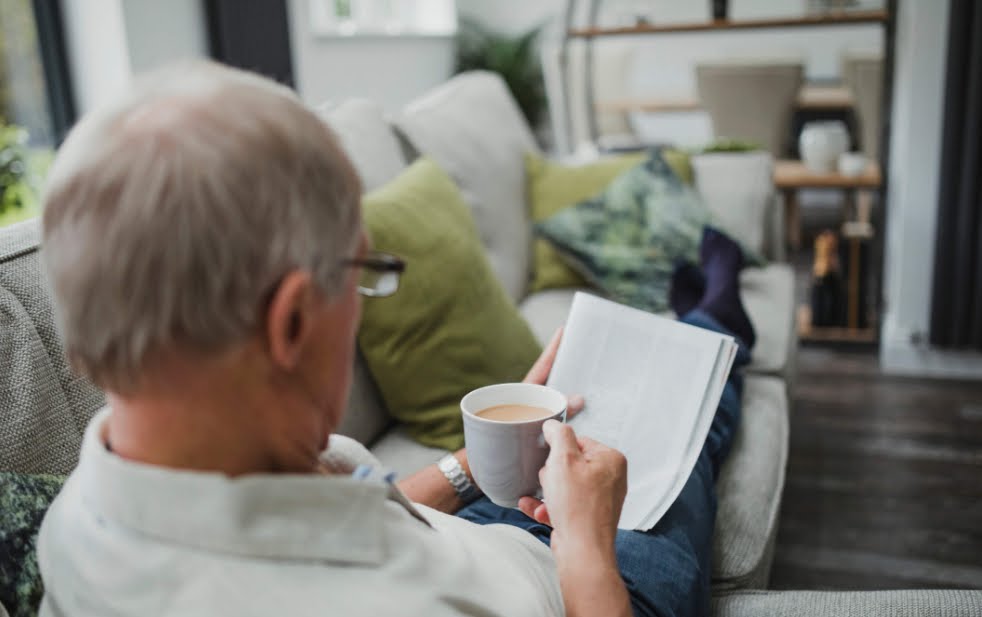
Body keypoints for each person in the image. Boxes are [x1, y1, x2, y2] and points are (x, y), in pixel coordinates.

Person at [37, 61, 754, 617]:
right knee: (686, 414)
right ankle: (720, 319)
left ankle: (708, 322)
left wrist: (474, 465)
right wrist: (589, 547)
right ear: (291, 322)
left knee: (623, 405)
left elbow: (344, 522)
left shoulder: (92, 497)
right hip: (579, 583)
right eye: (362, 268)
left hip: (473, 534)